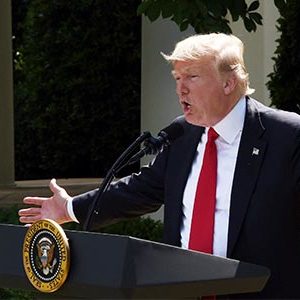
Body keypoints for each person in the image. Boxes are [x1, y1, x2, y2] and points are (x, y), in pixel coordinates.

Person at [19, 33, 300, 299]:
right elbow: (141, 190)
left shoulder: (286, 135)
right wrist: (69, 208)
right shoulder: (182, 134)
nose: (181, 89)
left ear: (228, 83)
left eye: (192, 76)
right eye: (177, 78)